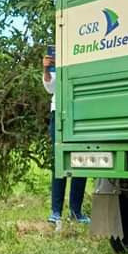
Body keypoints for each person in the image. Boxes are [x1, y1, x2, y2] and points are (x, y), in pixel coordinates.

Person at [43, 53, 89, 224]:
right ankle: (56, 212)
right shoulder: (59, 54)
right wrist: (46, 69)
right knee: (60, 161)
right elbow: (50, 87)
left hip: (83, 109)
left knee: (81, 160)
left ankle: (76, 212)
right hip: (60, 112)